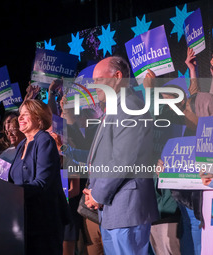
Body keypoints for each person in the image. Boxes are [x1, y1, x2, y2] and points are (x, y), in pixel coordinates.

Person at [83, 56, 159, 254]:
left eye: (98, 79)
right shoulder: (116, 108)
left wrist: (97, 194)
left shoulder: (130, 107)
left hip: (127, 207)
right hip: (113, 208)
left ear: (118, 76)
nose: (94, 86)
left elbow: (122, 160)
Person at [8, 99, 69, 255]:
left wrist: (12, 192)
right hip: (24, 220)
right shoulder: (22, 144)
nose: (19, 118)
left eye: (25, 114)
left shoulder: (45, 141)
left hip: (44, 222)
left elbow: (42, 183)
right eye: (19, 114)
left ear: (38, 118)